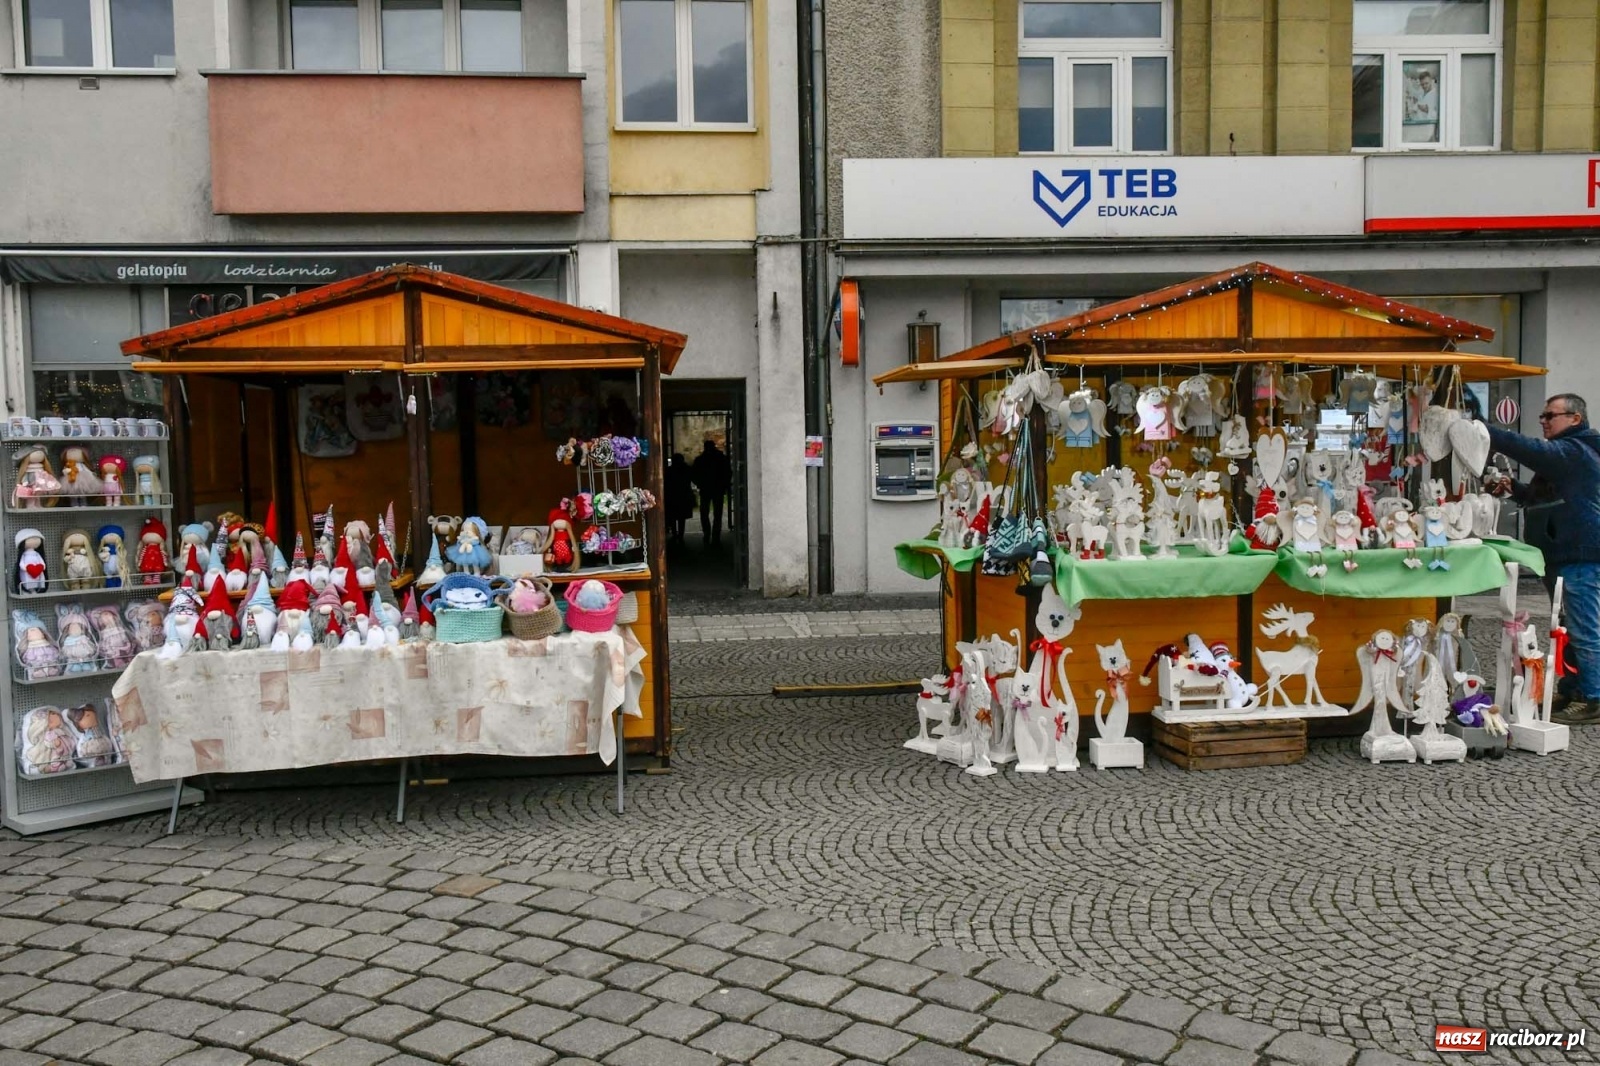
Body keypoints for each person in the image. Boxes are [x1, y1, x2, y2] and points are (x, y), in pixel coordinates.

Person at [1485, 393, 1600, 723]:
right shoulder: (1572, 454)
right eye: (1542, 416)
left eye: (1551, 416)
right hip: (1563, 551)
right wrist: (1515, 489)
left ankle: (1594, 698)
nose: (1544, 421)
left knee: (1584, 626)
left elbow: (1528, 449)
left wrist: (1482, 429)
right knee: (1569, 624)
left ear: (1575, 418)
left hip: (1578, 552)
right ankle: (1577, 688)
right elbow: (1548, 498)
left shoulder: (1573, 451)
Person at [692, 438, 732, 546]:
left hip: (706, 488)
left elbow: (694, 474)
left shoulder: (700, 459)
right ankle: (715, 535)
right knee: (717, 513)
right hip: (717, 488)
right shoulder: (721, 458)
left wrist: (700, 484)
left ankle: (707, 533)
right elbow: (728, 473)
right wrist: (724, 485)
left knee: (704, 512)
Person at [664, 452, 696, 546]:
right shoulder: (686, 469)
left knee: (673, 517)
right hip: (683, 495)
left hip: (672, 496)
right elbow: (693, 478)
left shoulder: (669, 470)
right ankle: (680, 535)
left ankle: (675, 534)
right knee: (681, 518)